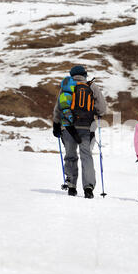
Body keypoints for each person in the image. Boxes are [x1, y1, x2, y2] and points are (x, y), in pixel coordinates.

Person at [52, 65, 107, 199]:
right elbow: (102, 109)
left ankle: (71, 185)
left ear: (71, 75)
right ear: (85, 74)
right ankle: (88, 187)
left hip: (67, 128)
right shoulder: (92, 86)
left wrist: (56, 125)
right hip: (86, 127)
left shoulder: (66, 87)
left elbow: (58, 108)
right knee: (86, 156)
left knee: (70, 156)